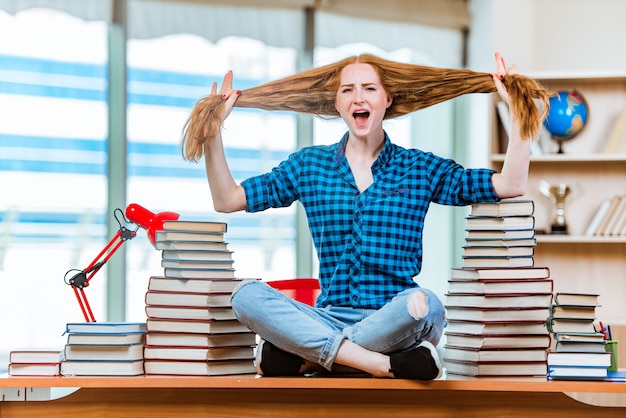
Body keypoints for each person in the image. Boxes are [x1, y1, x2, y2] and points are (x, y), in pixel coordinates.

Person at [181, 52, 550, 380]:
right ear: (336, 105)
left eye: (370, 88)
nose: (358, 97)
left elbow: (509, 184)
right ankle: (379, 365)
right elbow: (228, 199)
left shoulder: (417, 167)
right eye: (347, 90)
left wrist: (519, 117)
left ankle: (310, 360)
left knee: (428, 304)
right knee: (245, 296)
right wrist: (213, 136)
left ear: (387, 99)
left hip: (397, 317)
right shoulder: (309, 166)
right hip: (328, 317)